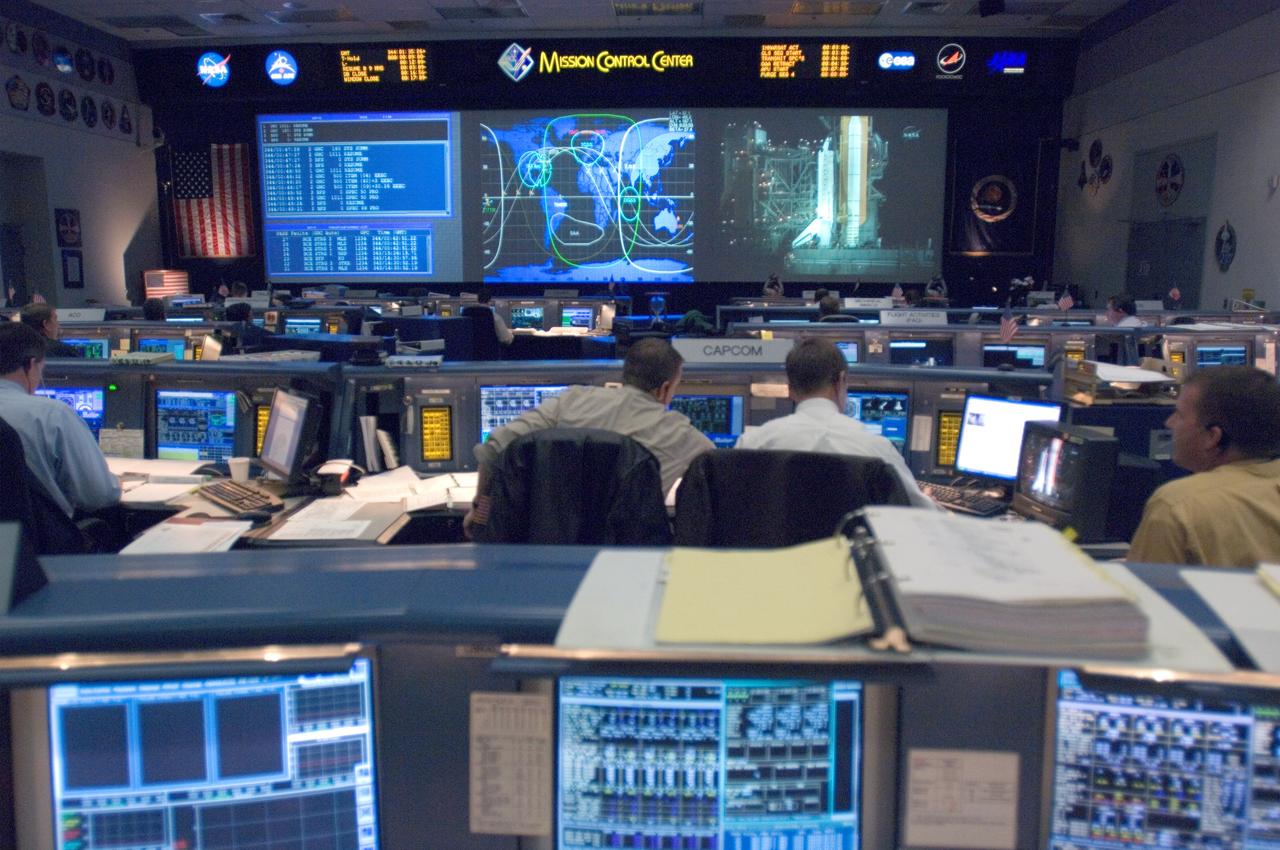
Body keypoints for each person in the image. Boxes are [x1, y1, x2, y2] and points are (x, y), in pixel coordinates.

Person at [465, 338, 714, 536]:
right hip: (628, 562)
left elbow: (492, 449)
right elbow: (718, 471)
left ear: (624, 375)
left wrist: (479, 511)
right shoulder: (683, 434)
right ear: (665, 388)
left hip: (547, 548)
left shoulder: (571, 400)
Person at [734, 337, 936, 508]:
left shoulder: (751, 444)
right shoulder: (878, 451)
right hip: (847, 553)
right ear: (841, 381)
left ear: (790, 390)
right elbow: (920, 515)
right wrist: (927, 500)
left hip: (773, 554)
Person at [1128, 366, 1280, 566]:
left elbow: (1147, 590)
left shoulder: (1178, 504)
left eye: (1179, 415)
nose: (1169, 423)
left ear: (1213, 437)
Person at [0, 323, 120, 518]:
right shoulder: (52, 415)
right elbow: (98, 495)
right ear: (31, 365)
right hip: (40, 543)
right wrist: (116, 483)